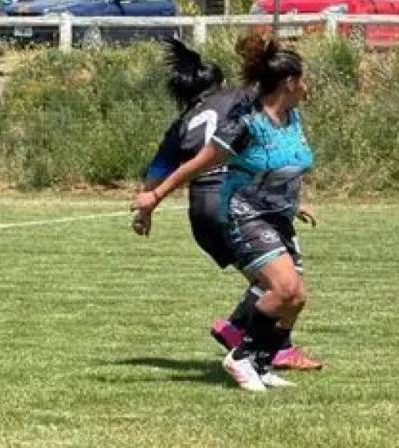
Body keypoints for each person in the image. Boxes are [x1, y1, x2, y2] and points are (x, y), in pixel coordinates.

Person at [132, 34, 315, 392]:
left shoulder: (290, 118)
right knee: (282, 287)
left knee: (296, 297)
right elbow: (198, 163)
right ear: (289, 83)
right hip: (242, 210)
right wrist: (154, 196)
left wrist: (295, 201)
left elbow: (286, 162)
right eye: (302, 78)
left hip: (274, 212)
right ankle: (241, 354)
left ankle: (261, 362)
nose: (307, 86)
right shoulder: (246, 119)